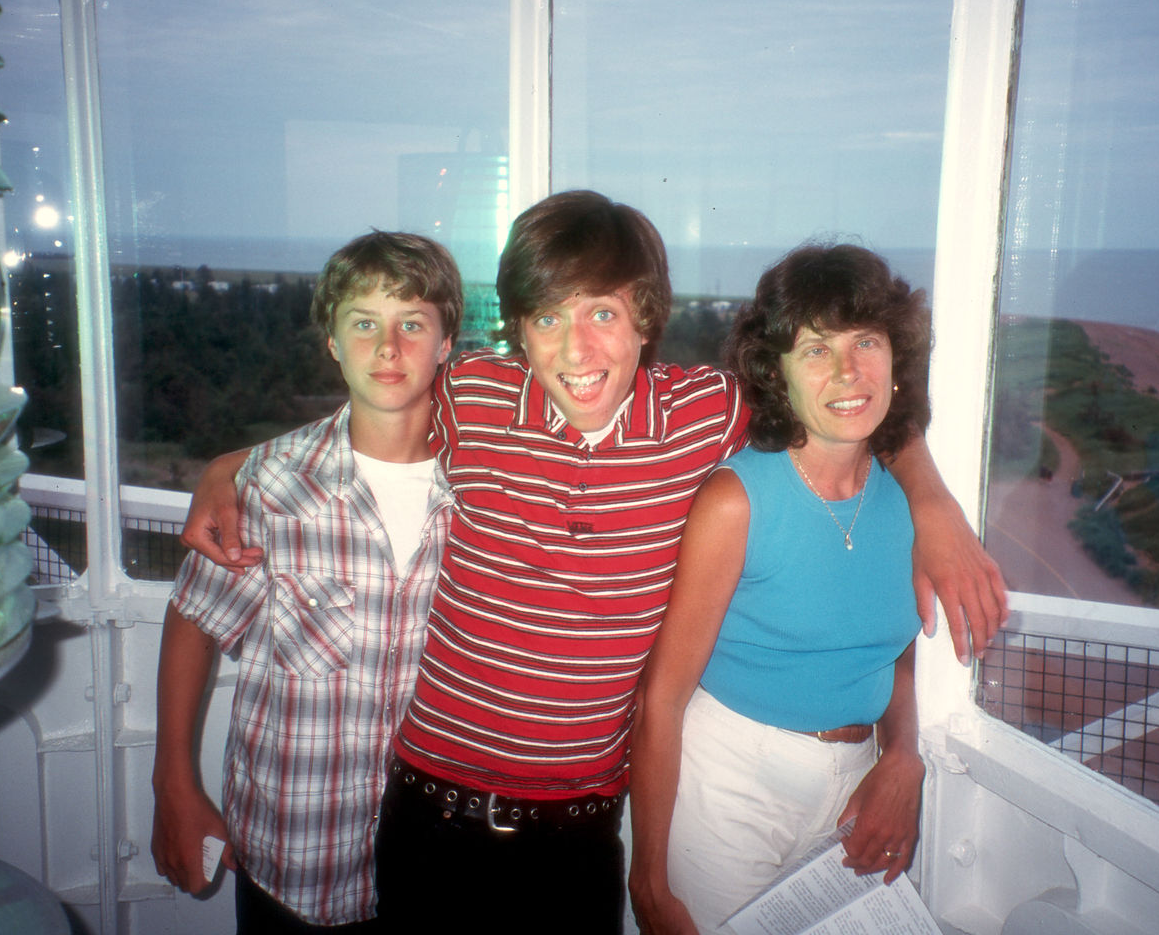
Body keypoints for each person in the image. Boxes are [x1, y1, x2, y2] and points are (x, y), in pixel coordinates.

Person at [181, 191, 1008, 933]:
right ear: (518, 332)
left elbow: (844, 397)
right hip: (428, 813)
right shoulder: (473, 394)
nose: (576, 348)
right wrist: (232, 469)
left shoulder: (703, 412)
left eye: (602, 313)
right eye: (547, 318)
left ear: (645, 317)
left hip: (577, 834)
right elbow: (372, 409)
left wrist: (932, 506)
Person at [150, 231, 463, 934]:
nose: (389, 347)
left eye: (412, 323)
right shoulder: (266, 486)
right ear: (331, 340)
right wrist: (173, 781)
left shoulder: (485, 490)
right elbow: (195, 619)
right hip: (294, 853)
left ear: (447, 343)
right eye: (363, 323)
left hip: (436, 860)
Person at [628, 244, 931, 935]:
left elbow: (895, 648)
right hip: (731, 782)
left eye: (866, 341)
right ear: (778, 374)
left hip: (854, 786)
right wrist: (647, 878)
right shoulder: (737, 500)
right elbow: (662, 698)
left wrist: (903, 755)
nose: (849, 371)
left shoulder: (907, 505)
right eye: (816, 350)